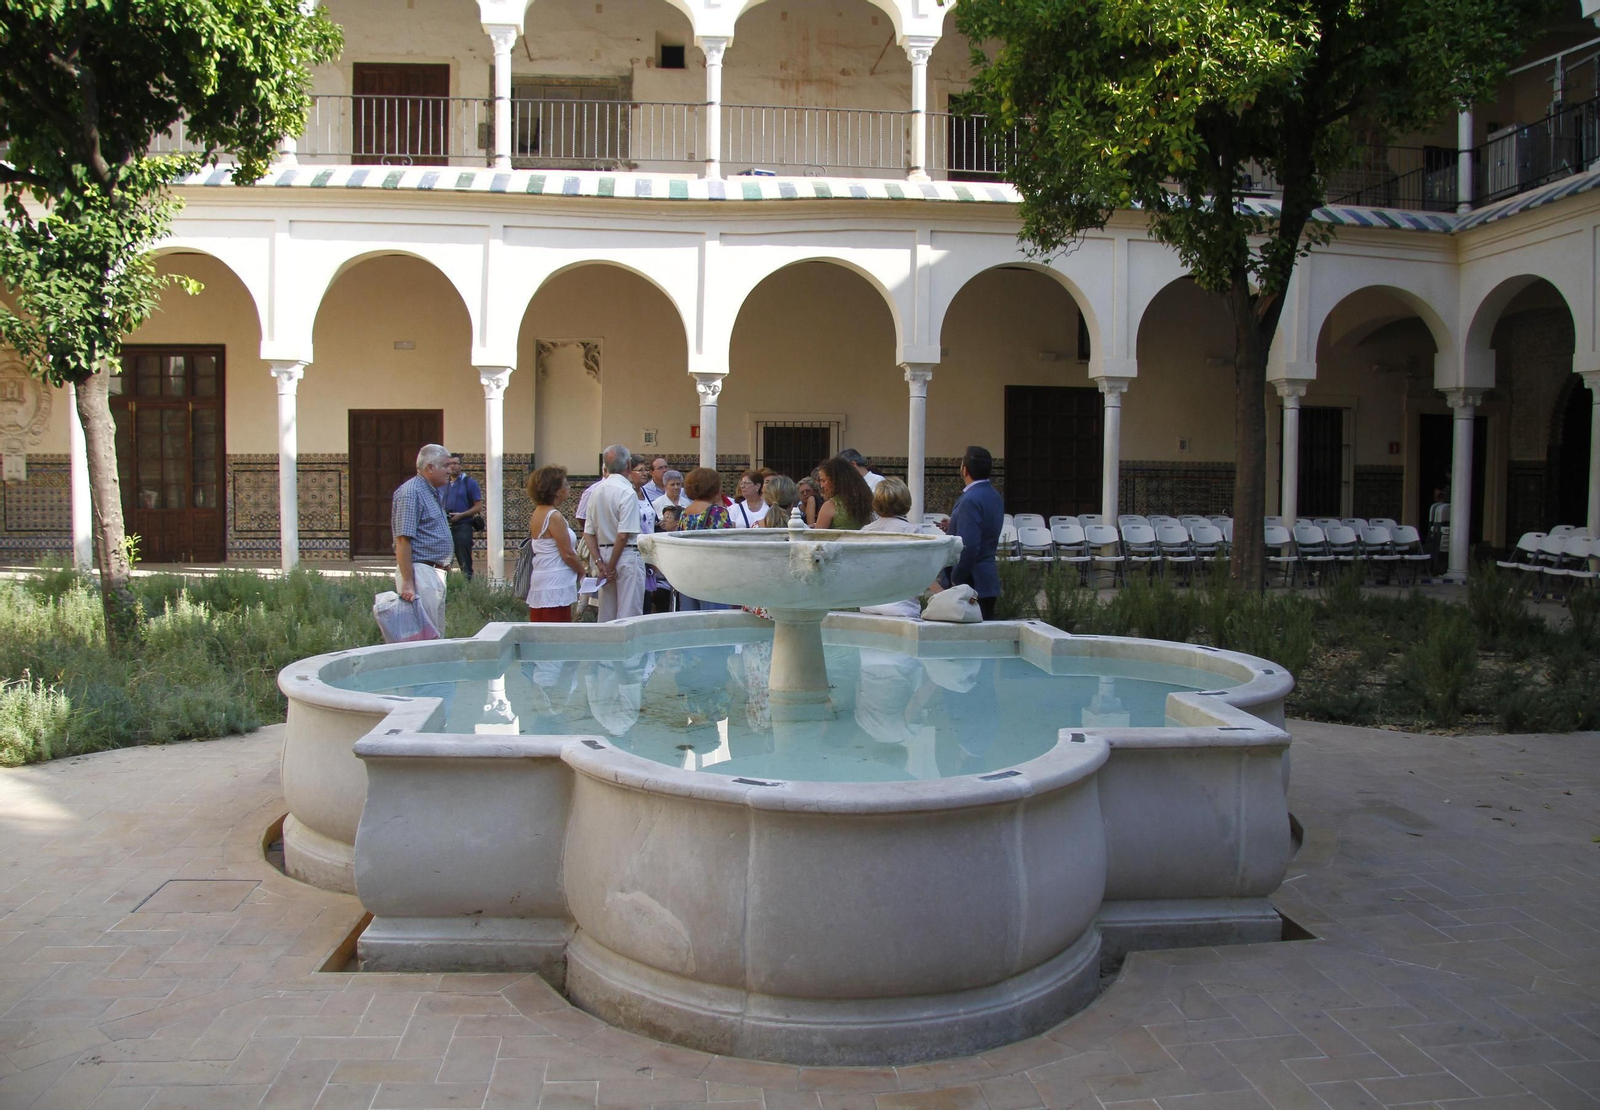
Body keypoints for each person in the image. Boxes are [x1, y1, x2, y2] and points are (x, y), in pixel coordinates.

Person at [391, 443, 454, 633]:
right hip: (420, 573)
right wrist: (408, 582)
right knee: (425, 638)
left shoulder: (430, 491)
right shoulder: (411, 493)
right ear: (430, 468)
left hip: (434, 573)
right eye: (445, 466)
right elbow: (403, 539)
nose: (450, 470)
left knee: (436, 634)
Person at [939, 445, 1004, 620]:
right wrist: (954, 525)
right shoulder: (993, 495)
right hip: (987, 581)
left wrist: (956, 578)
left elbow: (969, 546)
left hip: (971, 583)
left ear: (964, 469)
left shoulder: (970, 499)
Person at [583, 444, 645, 622]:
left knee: (607, 613)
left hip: (603, 554)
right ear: (628, 464)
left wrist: (600, 563)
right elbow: (623, 534)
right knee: (629, 614)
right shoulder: (627, 492)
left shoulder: (596, 491)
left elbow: (588, 533)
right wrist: (610, 568)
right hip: (625, 555)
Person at [524, 465, 585, 622]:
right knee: (555, 626)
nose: (569, 488)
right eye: (565, 485)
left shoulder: (538, 512)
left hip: (544, 577)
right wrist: (581, 570)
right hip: (555, 580)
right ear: (556, 490)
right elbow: (567, 553)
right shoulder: (554, 516)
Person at [861, 478, 924, 618]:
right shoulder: (913, 532)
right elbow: (921, 571)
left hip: (869, 605)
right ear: (906, 501)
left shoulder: (865, 531)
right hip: (903, 607)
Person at [676, 466, 734, 610]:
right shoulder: (718, 512)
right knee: (715, 622)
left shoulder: (685, 512)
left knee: (692, 622)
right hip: (711, 576)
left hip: (687, 575)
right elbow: (726, 545)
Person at [628, 454, 667, 613]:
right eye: (639, 470)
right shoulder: (628, 494)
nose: (644, 473)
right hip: (636, 551)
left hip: (649, 551)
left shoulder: (644, 492)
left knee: (646, 598)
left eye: (645, 470)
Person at [442, 453, 485, 580]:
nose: (452, 467)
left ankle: (468, 587)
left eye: (455, 463)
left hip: (463, 526)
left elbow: (478, 507)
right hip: (446, 527)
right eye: (449, 464)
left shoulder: (469, 483)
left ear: (461, 465)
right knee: (444, 562)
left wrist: (461, 515)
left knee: (464, 562)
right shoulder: (444, 484)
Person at [814, 455, 874, 530]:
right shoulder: (863, 502)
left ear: (835, 480)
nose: (822, 486)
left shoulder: (830, 506)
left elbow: (818, 537)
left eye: (824, 481)